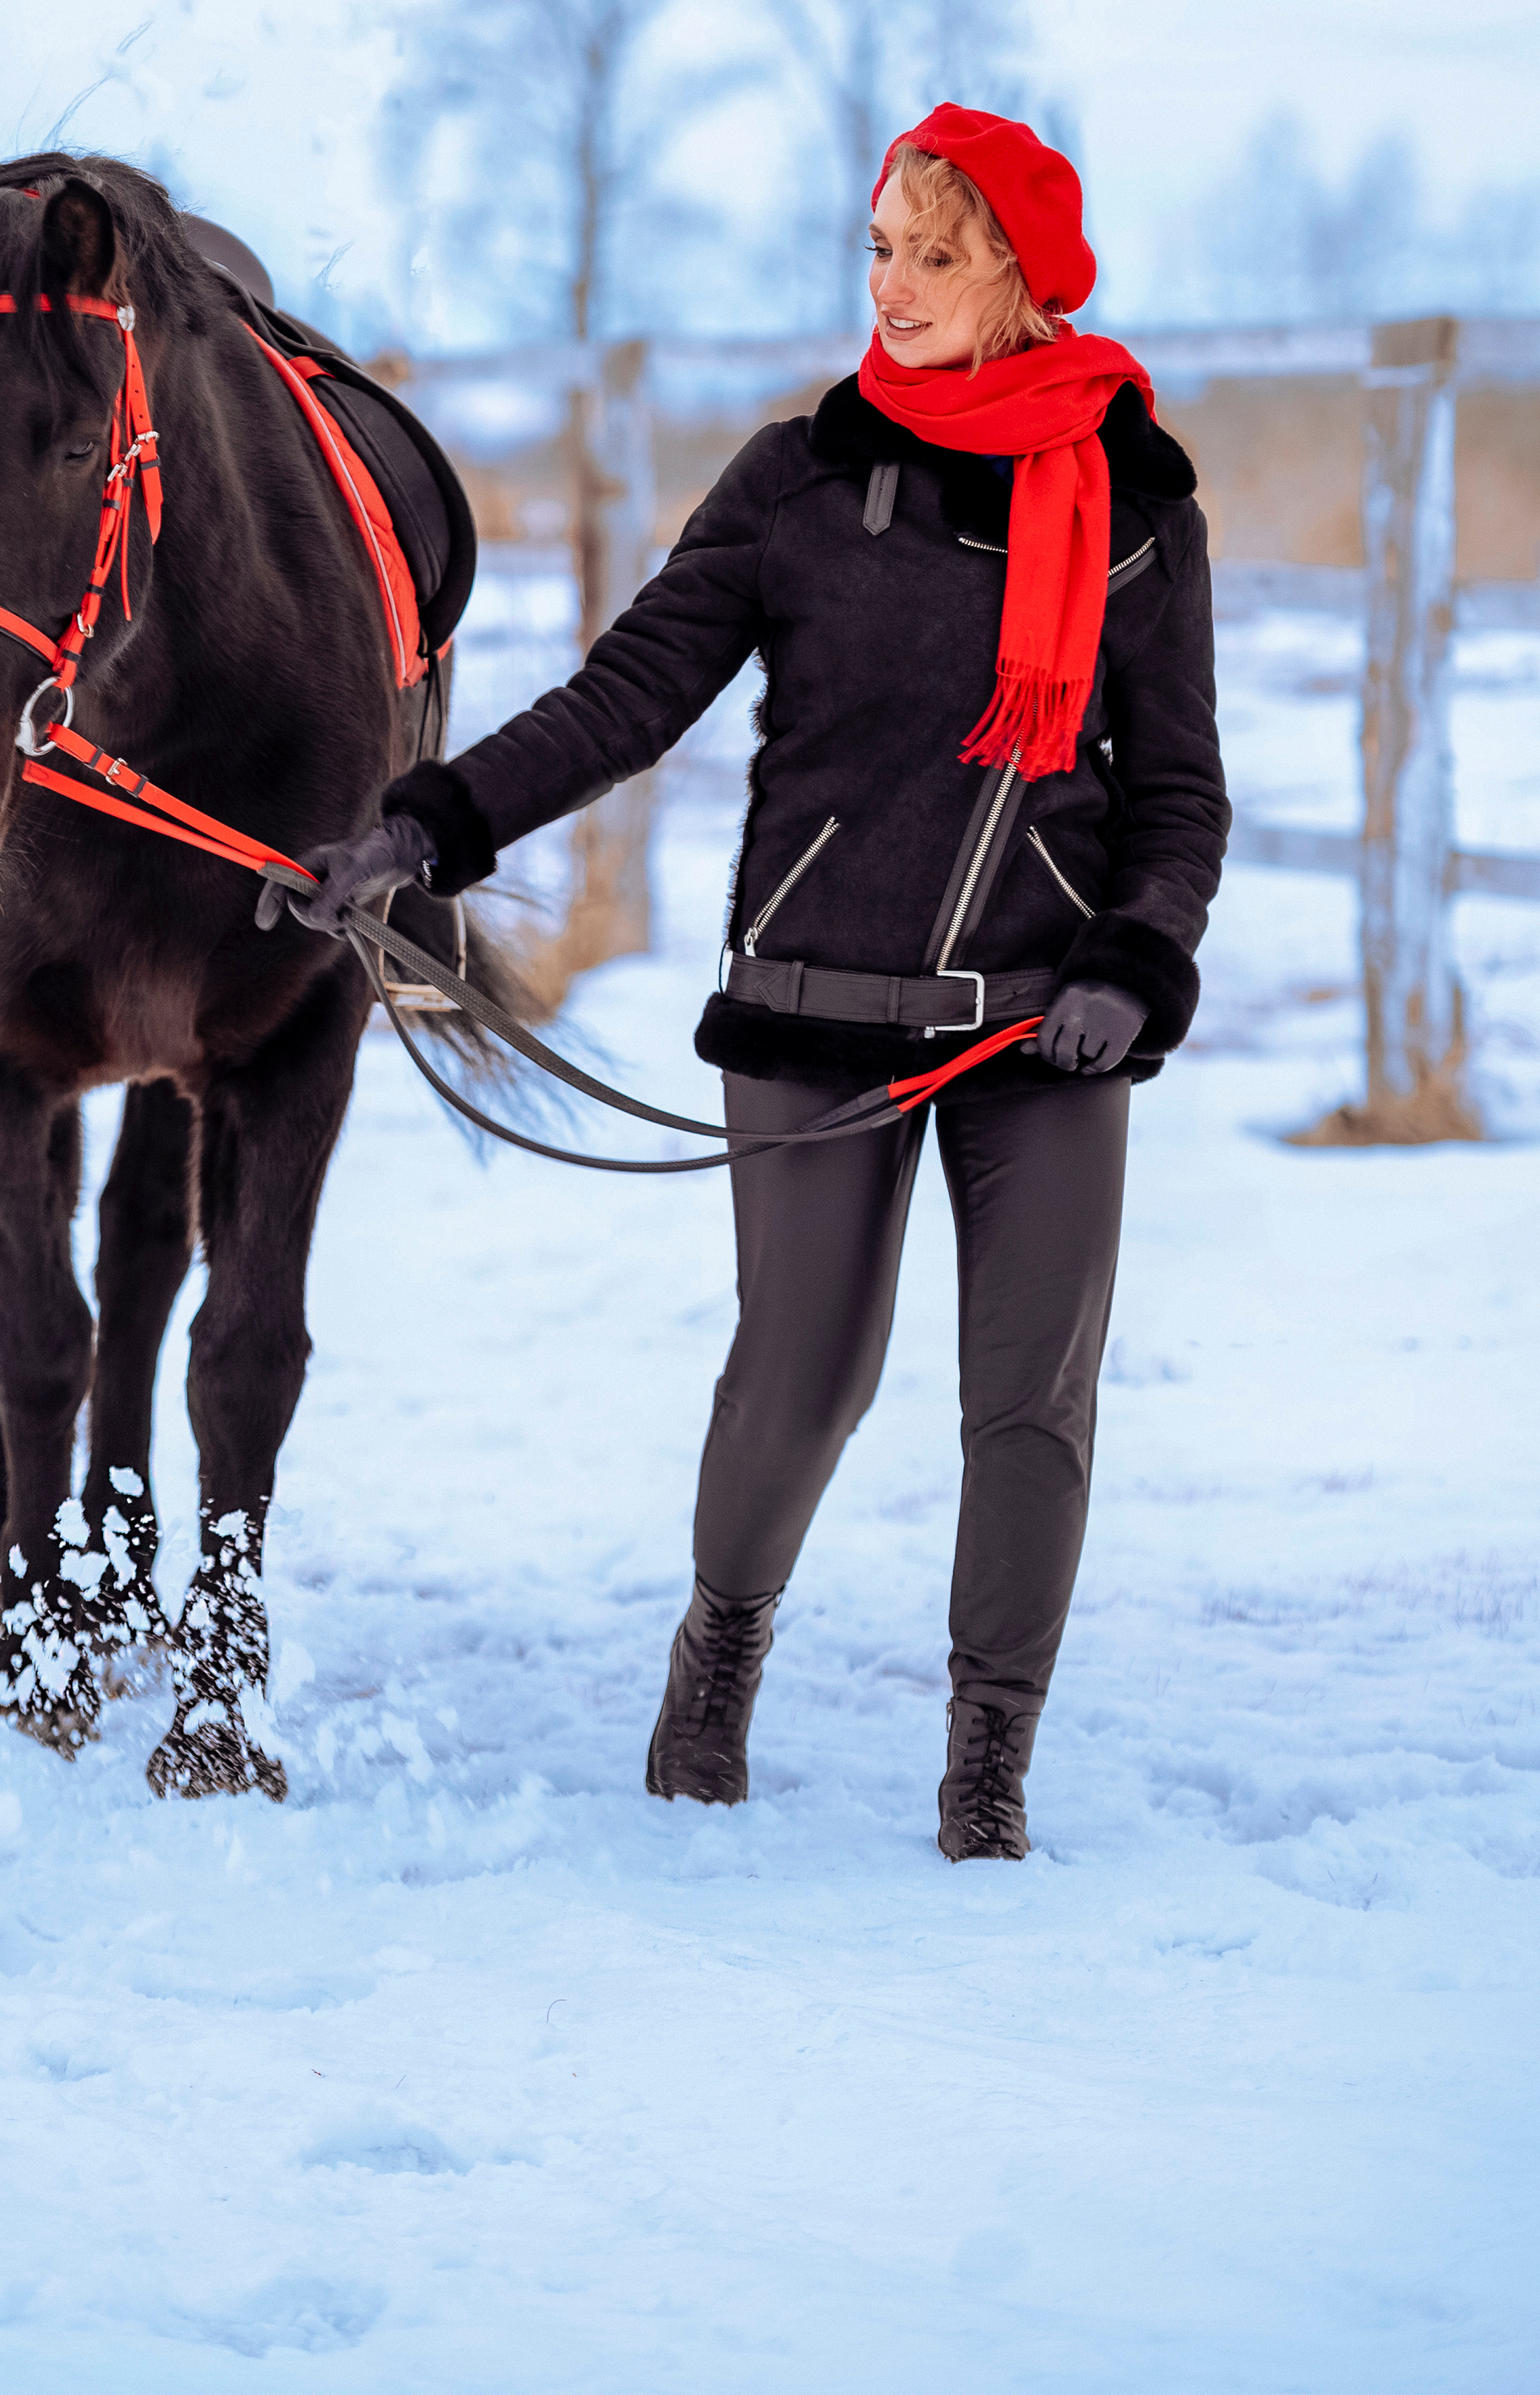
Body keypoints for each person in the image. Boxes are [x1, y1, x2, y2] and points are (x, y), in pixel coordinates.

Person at [262, 107, 1228, 1860]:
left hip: (1039, 1022)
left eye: (936, 254)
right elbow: (627, 692)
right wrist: (422, 827)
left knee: (1028, 1395)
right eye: (880, 247)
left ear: (1018, 274)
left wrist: (1135, 960)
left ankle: (987, 1755)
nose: (897, 284)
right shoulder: (796, 476)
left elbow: (1174, 794)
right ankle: (716, 1654)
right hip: (810, 1004)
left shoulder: (1136, 508)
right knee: (800, 1370)